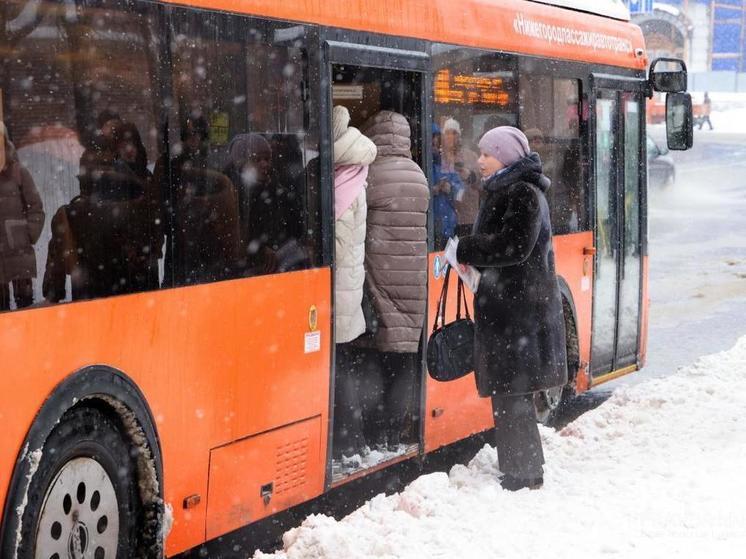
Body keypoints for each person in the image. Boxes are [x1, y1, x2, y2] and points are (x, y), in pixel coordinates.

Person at [455, 126, 567, 491]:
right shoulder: (509, 190)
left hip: (518, 315)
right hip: (511, 311)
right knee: (509, 397)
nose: (481, 160)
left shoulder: (522, 193)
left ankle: (523, 475)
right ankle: (521, 468)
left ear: (505, 156)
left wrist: (468, 249)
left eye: (487, 154)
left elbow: (514, 247)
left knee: (514, 397)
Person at [358, 110, 430, 449]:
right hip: (413, 280)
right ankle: (394, 431)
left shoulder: (372, 175)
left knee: (375, 357)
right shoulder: (418, 174)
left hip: (380, 278)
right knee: (402, 357)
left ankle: (373, 433)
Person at [331, 105, 377, 459]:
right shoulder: (357, 176)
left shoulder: (341, 183)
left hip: (339, 287)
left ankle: (348, 440)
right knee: (344, 361)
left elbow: (337, 241)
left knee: (341, 363)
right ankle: (352, 438)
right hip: (350, 283)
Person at [0, 123, 44, 310]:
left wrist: (28, 234)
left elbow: (36, 207)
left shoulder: (19, 173)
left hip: (19, 252)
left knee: (25, 309)